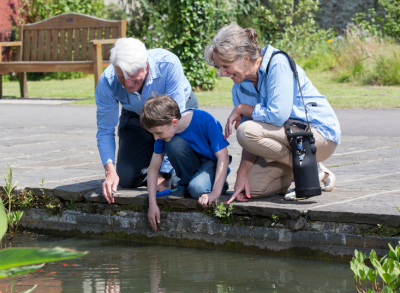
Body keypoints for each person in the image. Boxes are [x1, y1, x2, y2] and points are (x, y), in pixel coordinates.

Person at [204, 24, 341, 201]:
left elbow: (277, 116)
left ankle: (310, 171)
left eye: (226, 66)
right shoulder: (239, 85)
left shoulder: (277, 63)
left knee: (245, 131)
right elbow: (253, 138)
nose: (222, 73)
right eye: (219, 67)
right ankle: (308, 170)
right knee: (252, 189)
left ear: (245, 58)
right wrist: (242, 173)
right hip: (286, 141)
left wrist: (243, 109)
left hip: (317, 136)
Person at [95, 38, 198, 204]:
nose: (128, 84)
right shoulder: (108, 80)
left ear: (146, 64)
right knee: (127, 178)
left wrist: (164, 173)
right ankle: (154, 158)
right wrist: (110, 172)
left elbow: (174, 121)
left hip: (176, 114)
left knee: (181, 177)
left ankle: (174, 165)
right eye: (122, 77)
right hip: (137, 114)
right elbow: (105, 130)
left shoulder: (169, 64)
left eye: (133, 76)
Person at [140, 95, 230, 231]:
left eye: (158, 133)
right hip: (191, 168)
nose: (156, 137)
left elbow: (223, 158)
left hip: (211, 165)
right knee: (173, 144)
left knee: (197, 189)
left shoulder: (204, 120)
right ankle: (185, 184)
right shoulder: (164, 134)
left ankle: (216, 185)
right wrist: (152, 204)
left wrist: (215, 193)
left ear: (174, 122)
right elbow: (153, 169)